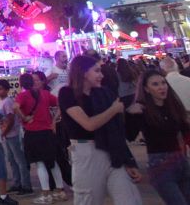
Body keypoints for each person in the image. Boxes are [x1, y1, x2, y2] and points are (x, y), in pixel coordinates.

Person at [57, 54, 142, 205]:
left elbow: (115, 130)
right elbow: (88, 124)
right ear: (83, 72)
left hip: (112, 151)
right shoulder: (67, 93)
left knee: (130, 198)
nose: (101, 75)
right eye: (96, 71)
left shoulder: (104, 93)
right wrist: (114, 110)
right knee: (88, 199)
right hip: (86, 153)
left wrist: (128, 161)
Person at [126, 68, 190, 204]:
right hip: (160, 166)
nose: (161, 87)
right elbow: (130, 135)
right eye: (155, 84)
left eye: (163, 83)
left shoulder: (173, 106)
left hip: (181, 161)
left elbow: (186, 131)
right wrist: (129, 114)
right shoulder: (142, 110)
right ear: (146, 89)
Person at [15, 72, 66, 204]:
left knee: (40, 163)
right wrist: (54, 121)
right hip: (48, 132)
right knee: (53, 162)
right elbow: (61, 104)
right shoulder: (45, 94)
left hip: (33, 133)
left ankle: (46, 194)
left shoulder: (22, 96)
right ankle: (60, 191)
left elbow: (15, 107)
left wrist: (25, 117)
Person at [0, 80, 33, 196]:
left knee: (19, 160)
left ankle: (26, 185)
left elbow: (11, 120)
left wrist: (4, 132)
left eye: (0, 89)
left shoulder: (7, 101)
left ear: (7, 90)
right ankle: (17, 183)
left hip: (13, 134)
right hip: (8, 134)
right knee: (12, 160)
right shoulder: (1, 101)